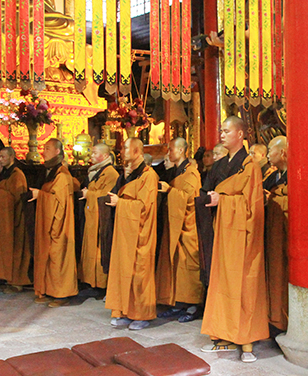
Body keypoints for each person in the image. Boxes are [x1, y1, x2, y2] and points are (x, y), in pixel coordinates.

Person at [198, 116, 268, 363]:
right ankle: (224, 334)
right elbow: (205, 192)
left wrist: (223, 202)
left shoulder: (249, 167)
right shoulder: (218, 166)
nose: (222, 134)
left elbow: (252, 206)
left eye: (227, 131)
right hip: (222, 231)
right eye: (221, 130)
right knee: (223, 283)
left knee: (244, 284)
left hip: (242, 235)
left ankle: (247, 340)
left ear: (240, 135)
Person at [105, 137, 159, 330]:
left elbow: (144, 206)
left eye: (126, 148)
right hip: (125, 231)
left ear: (137, 151)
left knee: (139, 273)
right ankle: (126, 311)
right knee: (123, 269)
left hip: (140, 233)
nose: (122, 150)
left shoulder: (148, 176)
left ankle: (142, 314)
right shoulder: (130, 174)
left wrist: (121, 203)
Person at [155, 138, 203, 322]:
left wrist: (169, 192)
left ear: (182, 150)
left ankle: (192, 305)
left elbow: (189, 199)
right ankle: (177, 302)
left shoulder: (191, 173)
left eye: (171, 149)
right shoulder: (178, 171)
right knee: (175, 263)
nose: (168, 153)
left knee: (186, 263)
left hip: (187, 227)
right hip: (174, 224)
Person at [30, 138, 80, 307]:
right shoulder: (50, 171)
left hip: (60, 225)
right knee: (47, 256)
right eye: (44, 148)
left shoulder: (63, 174)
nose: (44, 151)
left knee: (58, 257)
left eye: (48, 148)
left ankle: (61, 294)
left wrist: (40, 196)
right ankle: (47, 289)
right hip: (47, 222)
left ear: (58, 152)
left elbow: (60, 202)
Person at [0, 147, 31, 293]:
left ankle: (17, 282)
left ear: (12, 157)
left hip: (16, 218)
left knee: (17, 250)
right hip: (5, 218)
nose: (0, 159)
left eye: (3, 157)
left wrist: (0, 192)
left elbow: (18, 196)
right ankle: (5, 278)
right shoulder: (6, 174)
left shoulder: (17, 174)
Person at [78, 143, 118, 291]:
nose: (92, 156)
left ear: (106, 156)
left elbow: (105, 197)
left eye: (95, 153)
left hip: (101, 220)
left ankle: (100, 285)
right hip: (91, 216)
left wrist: (89, 194)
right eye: (92, 153)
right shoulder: (96, 171)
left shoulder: (111, 173)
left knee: (99, 251)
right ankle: (90, 282)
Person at [264, 135, 289, 333]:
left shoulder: (293, 175)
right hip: (271, 235)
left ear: (282, 152)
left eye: (270, 150)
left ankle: (284, 321)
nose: (267, 155)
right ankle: (273, 319)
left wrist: (274, 198)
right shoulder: (272, 177)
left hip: (286, 237)